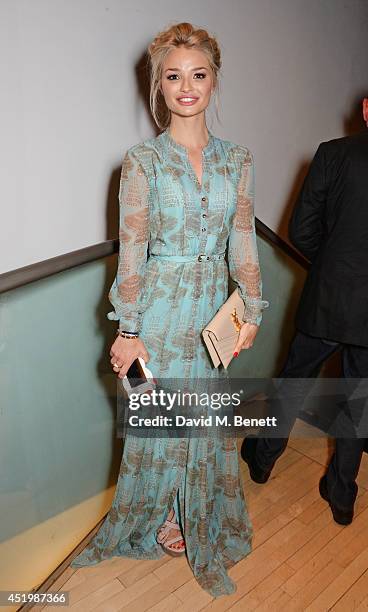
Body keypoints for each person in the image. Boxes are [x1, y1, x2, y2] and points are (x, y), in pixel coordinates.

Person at [71, 22, 268, 597]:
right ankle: (157, 511)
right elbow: (131, 250)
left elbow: (244, 243)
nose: (187, 87)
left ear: (214, 81)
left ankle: (194, 512)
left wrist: (251, 311)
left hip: (214, 312)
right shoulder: (143, 161)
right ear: (158, 85)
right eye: (174, 76)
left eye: (198, 75)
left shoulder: (239, 159)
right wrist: (128, 329)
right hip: (156, 305)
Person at [241, 98, 368, 526]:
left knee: (294, 381)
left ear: (367, 110)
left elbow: (301, 230)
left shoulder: (333, 153)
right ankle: (342, 494)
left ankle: (262, 460)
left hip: (328, 298)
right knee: (359, 399)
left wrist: (329, 268)